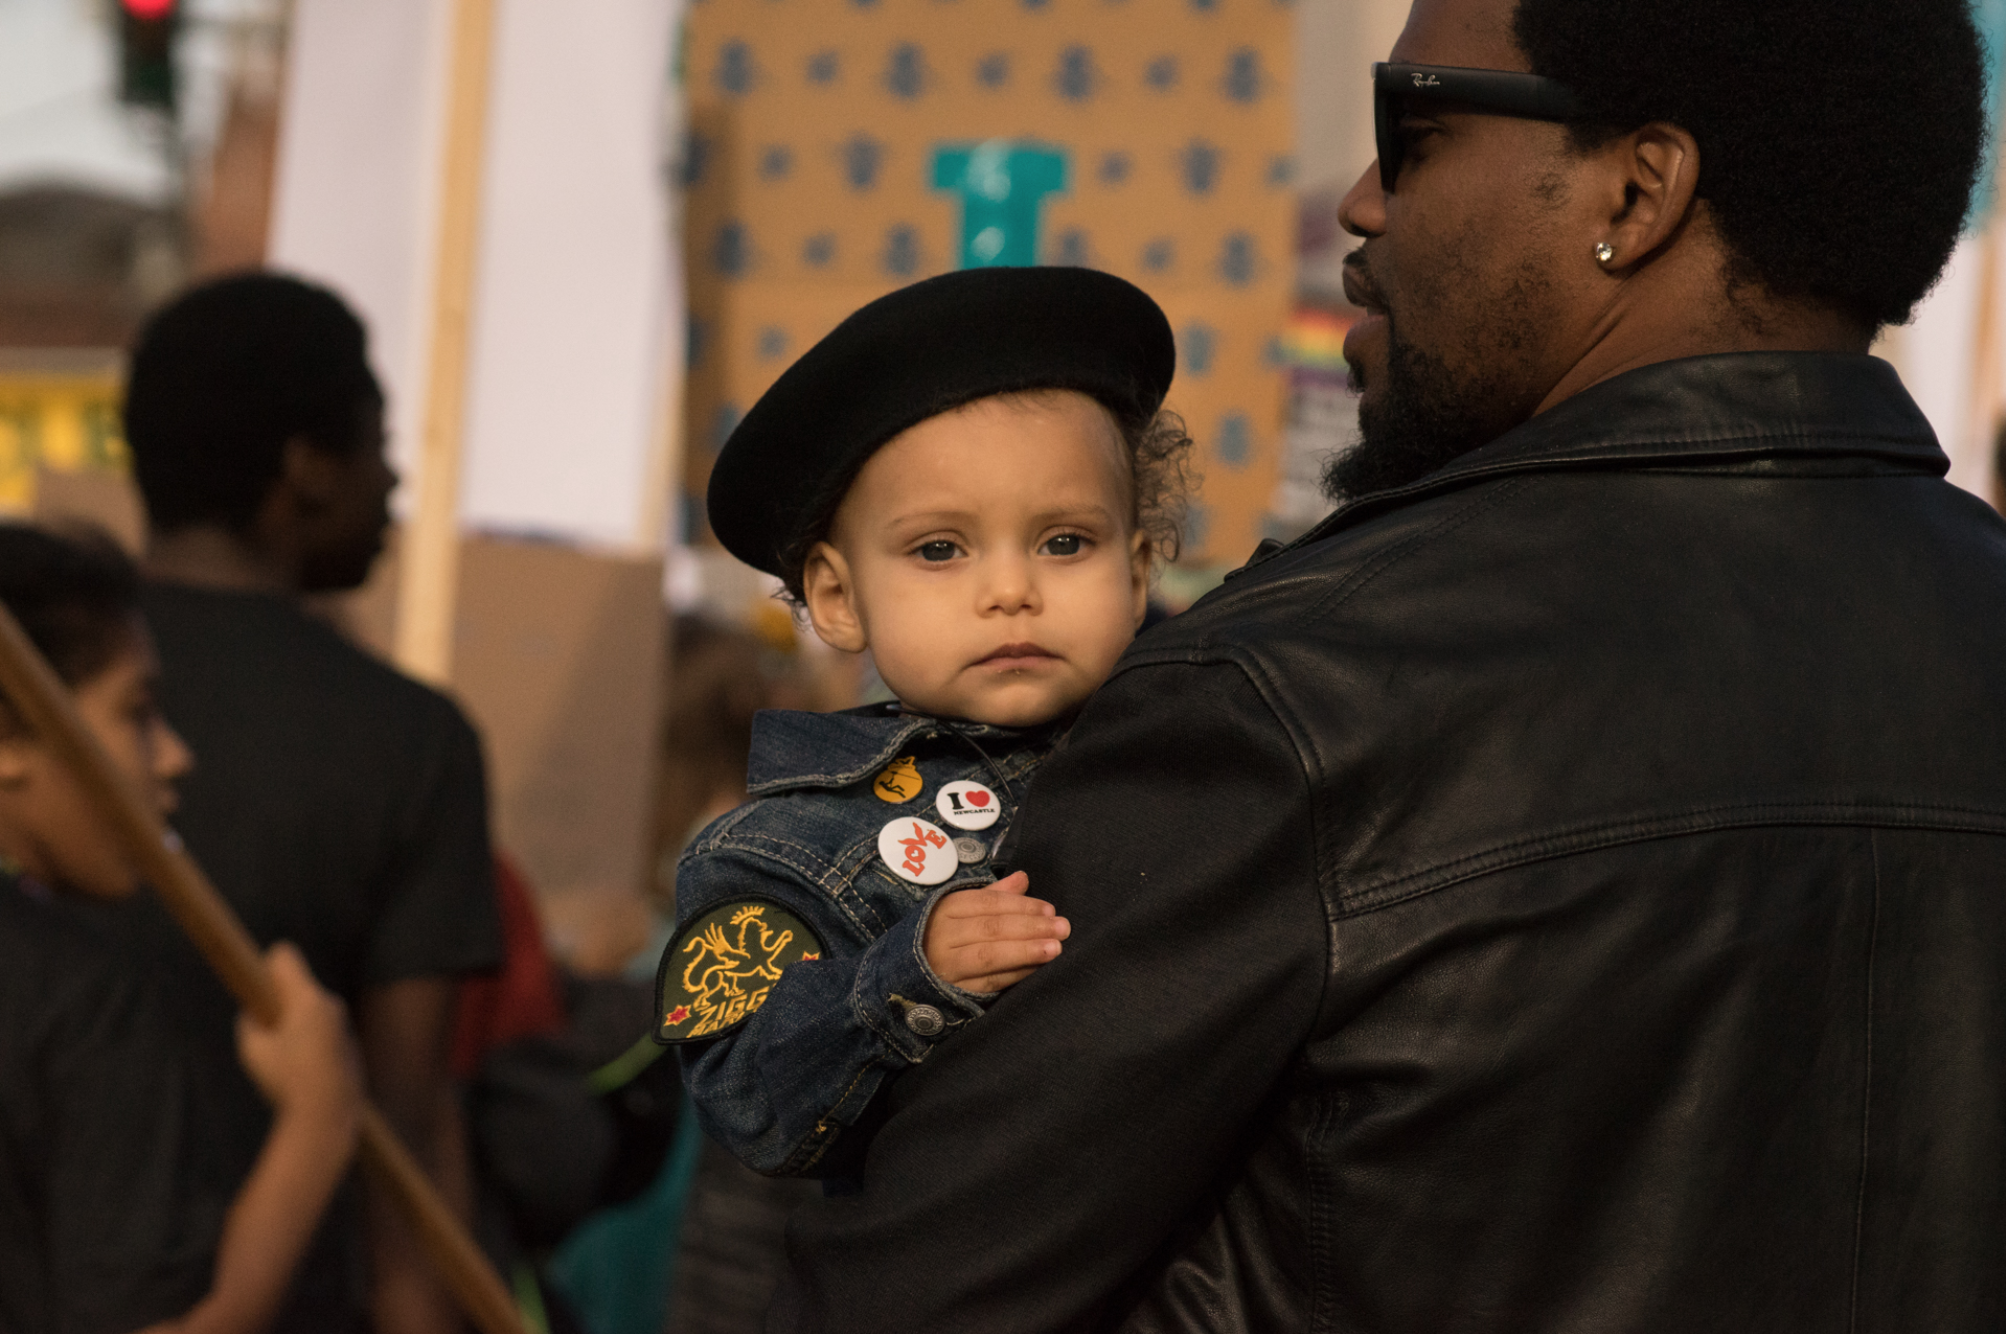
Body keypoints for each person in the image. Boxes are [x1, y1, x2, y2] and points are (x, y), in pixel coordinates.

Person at [768, 0, 2006, 1329]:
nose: (1361, 202)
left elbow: (918, 1296)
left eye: (1413, 131)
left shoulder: (1287, 699)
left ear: (1636, 193)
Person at [658, 267, 1192, 1180]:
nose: (1012, 590)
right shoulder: (780, 848)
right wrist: (909, 971)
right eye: (939, 549)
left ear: (1137, 572)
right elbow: (745, 1097)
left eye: (1065, 542)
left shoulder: (1209, 750)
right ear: (836, 596)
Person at [112, 273, 503, 1334]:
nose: (395, 481)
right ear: (307, 469)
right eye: (380, 441)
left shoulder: (42, 690)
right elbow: (405, 1121)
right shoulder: (410, 740)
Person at [0, 522, 362, 1334]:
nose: (173, 757)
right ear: (9, 739)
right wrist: (316, 1124)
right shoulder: (84, 1005)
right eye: (138, 712)